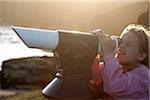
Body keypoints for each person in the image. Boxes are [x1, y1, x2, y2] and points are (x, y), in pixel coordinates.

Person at [91, 24, 149, 100]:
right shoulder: (112, 66)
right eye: (120, 41)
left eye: (128, 44)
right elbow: (91, 76)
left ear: (141, 56)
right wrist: (93, 44)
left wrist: (108, 53)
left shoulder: (144, 76)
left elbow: (114, 86)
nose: (121, 46)